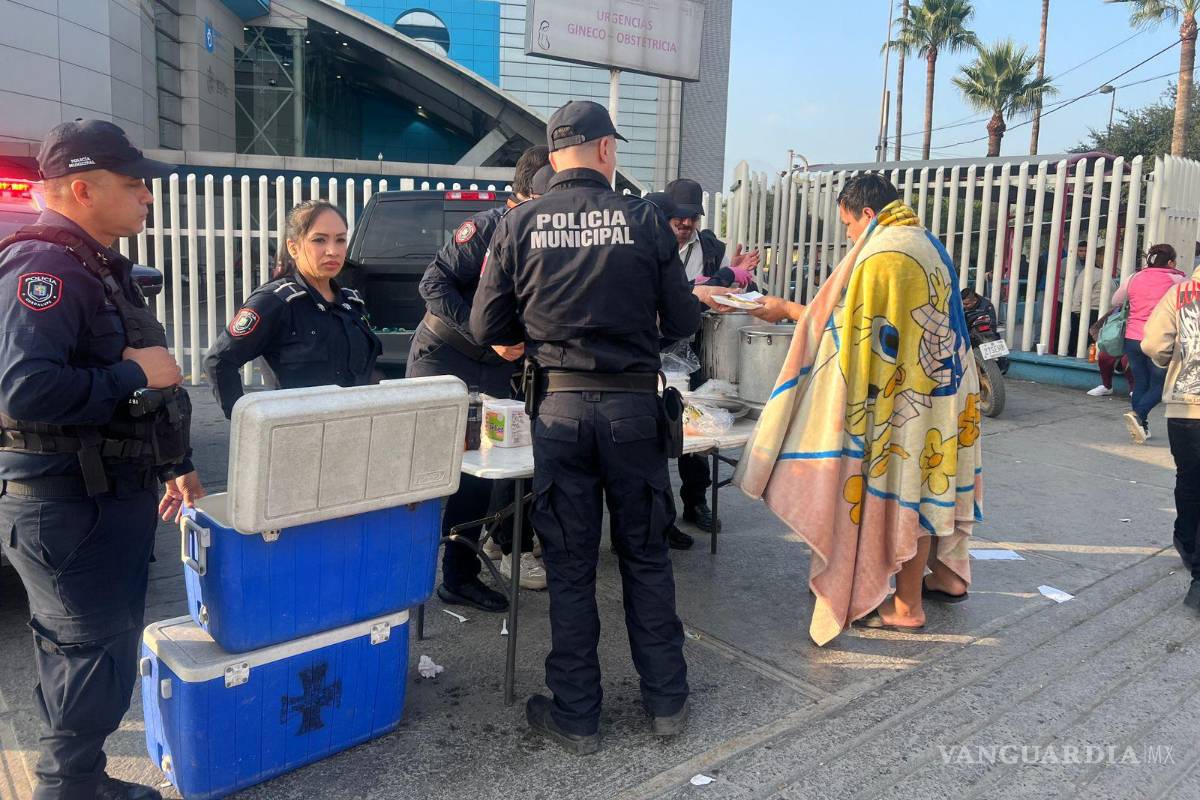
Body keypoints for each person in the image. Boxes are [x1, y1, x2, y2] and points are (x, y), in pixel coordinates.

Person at [471, 100, 730, 753]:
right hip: (634, 413)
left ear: (555, 154)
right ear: (607, 151)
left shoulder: (519, 224)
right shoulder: (643, 221)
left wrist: (539, 336)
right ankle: (666, 702)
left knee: (569, 563)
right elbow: (678, 321)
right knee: (645, 557)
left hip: (558, 413)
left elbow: (487, 329)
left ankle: (578, 715)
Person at [0, 119, 204, 800]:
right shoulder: (46, 267)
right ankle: (68, 790)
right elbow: (24, 392)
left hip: (98, 500)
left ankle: (81, 780)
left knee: (87, 658)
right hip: (68, 506)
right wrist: (137, 374)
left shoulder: (90, 265)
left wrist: (169, 459)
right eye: (133, 183)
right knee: (91, 659)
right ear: (82, 189)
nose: (148, 196)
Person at [736, 173, 982, 644]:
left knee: (904, 487)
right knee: (930, 484)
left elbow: (850, 331)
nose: (848, 235)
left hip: (903, 396)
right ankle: (946, 576)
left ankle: (906, 606)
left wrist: (786, 310)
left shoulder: (883, 253)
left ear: (867, 214)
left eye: (848, 224)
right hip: (942, 387)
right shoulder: (926, 240)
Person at [405, 146, 552, 608]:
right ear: (528, 191)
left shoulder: (543, 234)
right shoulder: (488, 227)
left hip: (494, 367)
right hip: (445, 356)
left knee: (480, 473)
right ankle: (398, 577)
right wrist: (485, 333)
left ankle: (459, 578)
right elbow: (432, 283)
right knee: (425, 472)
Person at [204, 200, 382, 419]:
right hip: (298, 438)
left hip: (353, 431)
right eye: (319, 240)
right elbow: (219, 362)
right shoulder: (275, 302)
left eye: (340, 240)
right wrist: (249, 421)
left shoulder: (352, 302)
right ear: (293, 247)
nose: (332, 251)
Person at [663, 178, 761, 539]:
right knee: (655, 432)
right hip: (656, 349)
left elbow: (734, 290)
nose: (685, 224)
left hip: (696, 349)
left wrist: (736, 276)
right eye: (679, 217)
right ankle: (660, 516)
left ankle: (696, 502)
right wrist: (711, 281)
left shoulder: (711, 247)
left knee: (698, 429)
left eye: (692, 217)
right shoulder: (649, 241)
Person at [1141, 261, 1200, 609]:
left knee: (1189, 480)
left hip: (1186, 406)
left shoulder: (1180, 292)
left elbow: (1152, 344)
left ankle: (1185, 541)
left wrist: (1171, 358)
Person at [1110, 244, 1187, 443]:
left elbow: (1116, 300)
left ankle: (1141, 426)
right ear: (1170, 262)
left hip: (1133, 338)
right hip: (1160, 339)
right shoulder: (1177, 279)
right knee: (1161, 385)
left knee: (1141, 382)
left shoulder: (1135, 277)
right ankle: (1139, 415)